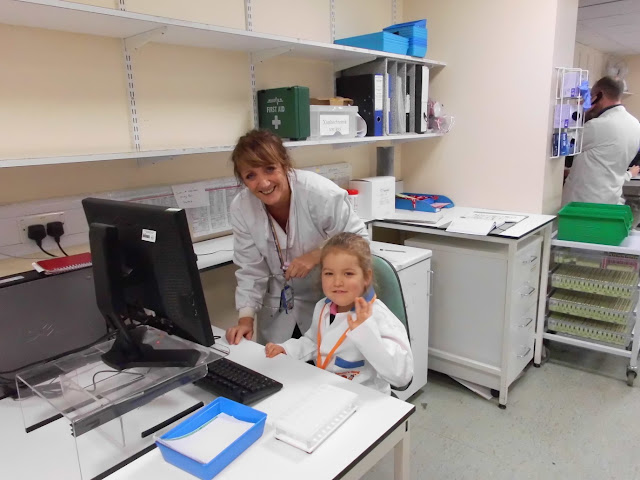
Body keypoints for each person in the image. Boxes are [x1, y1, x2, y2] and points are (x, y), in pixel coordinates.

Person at [225, 130, 369, 346]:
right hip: (278, 310)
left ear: (284, 165)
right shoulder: (242, 207)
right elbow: (251, 269)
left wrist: (317, 255)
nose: (263, 183)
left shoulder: (320, 193)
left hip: (329, 301)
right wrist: (245, 319)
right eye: (250, 176)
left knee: (326, 359)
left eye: (270, 169)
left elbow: (360, 242)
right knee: (276, 361)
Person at [265, 233, 413, 395]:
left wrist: (366, 332)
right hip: (328, 390)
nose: (337, 282)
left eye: (348, 273)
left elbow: (402, 376)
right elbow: (313, 342)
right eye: (329, 273)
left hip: (366, 396)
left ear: (366, 277)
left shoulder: (379, 316)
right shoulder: (323, 307)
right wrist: (286, 349)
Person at [562, 76, 640, 206]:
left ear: (599, 95)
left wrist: (578, 112)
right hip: (611, 199)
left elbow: (565, 144)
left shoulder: (598, 125)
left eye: (591, 96)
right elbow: (604, 160)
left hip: (584, 201)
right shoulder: (635, 124)